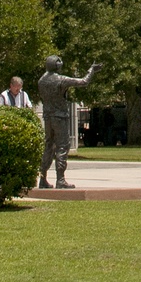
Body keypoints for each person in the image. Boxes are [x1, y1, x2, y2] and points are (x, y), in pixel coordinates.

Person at [37, 55, 101, 189]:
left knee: (48, 146)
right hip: (60, 117)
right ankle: (60, 179)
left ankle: (42, 178)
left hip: (48, 117)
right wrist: (91, 70)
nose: (61, 65)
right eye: (59, 63)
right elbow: (83, 82)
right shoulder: (61, 79)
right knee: (62, 146)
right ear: (55, 65)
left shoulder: (41, 81)